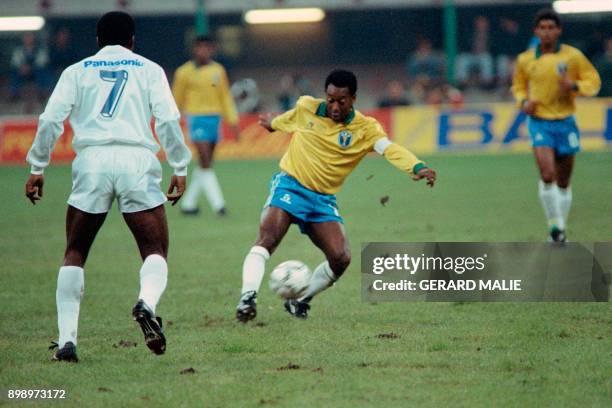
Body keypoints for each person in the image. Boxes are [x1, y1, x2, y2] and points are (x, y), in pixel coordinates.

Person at [24, 11, 192, 362]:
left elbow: (51, 119)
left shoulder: (75, 71)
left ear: (97, 40)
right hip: (136, 161)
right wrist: (179, 165)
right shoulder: (149, 69)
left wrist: (37, 166)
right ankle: (146, 303)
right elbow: (167, 120)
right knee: (154, 250)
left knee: (75, 251)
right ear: (133, 40)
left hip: (92, 162)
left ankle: (67, 341)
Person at [235, 69, 437, 322]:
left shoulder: (365, 128)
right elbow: (289, 119)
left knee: (341, 258)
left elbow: (389, 149)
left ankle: (300, 300)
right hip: (290, 185)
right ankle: (247, 298)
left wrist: (416, 167)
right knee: (267, 238)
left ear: (353, 98)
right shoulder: (307, 106)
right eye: (330, 99)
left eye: (341, 101)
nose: (334, 106)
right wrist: (273, 124)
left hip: (322, 200)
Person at [512, 9, 601, 243]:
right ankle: (556, 227)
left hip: (566, 122)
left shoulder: (572, 57)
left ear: (559, 30)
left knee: (563, 181)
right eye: (543, 28)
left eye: (552, 28)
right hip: (539, 122)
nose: (547, 32)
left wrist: (574, 86)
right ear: (536, 31)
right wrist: (523, 102)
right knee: (547, 173)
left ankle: (560, 226)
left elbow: (593, 81)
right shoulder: (526, 59)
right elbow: (518, 86)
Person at [172, 36, 239, 216]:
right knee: (206, 161)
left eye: (206, 48)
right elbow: (176, 98)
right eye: (199, 48)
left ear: (212, 49)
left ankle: (188, 204)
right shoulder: (184, 72)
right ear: (194, 50)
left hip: (214, 118)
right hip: (196, 118)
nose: (203, 51)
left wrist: (232, 121)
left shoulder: (218, 70)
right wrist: (172, 121)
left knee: (204, 163)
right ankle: (219, 205)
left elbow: (225, 95)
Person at [10, 32, 51, 101]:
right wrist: (21, 67)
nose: (28, 39)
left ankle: (42, 93)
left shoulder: (40, 49)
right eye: (26, 37)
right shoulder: (19, 49)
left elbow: (42, 61)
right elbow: (15, 61)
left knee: (42, 71)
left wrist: (31, 68)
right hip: (22, 71)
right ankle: (15, 93)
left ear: (34, 38)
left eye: (30, 37)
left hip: (36, 71)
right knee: (14, 71)